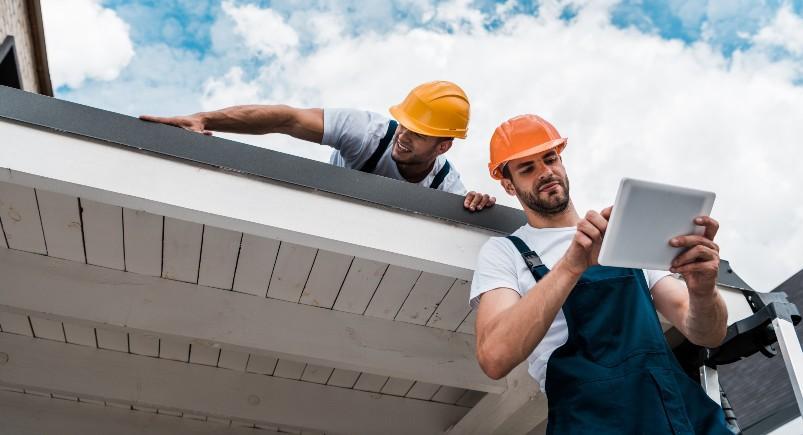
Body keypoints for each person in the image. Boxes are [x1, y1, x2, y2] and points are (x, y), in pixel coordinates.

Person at [471, 114, 731, 434]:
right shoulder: (506, 252)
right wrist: (571, 266)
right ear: (508, 184)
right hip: (591, 421)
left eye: (550, 159)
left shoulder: (621, 232)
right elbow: (494, 357)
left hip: (677, 415)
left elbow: (707, 333)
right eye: (527, 168)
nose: (545, 172)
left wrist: (704, 291)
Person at [140, 81, 495, 211]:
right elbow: (287, 118)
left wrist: (480, 204)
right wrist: (204, 120)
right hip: (329, 212)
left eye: (419, 133)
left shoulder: (445, 186)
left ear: (443, 147)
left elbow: (468, 224)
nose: (403, 135)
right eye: (405, 123)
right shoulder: (368, 132)